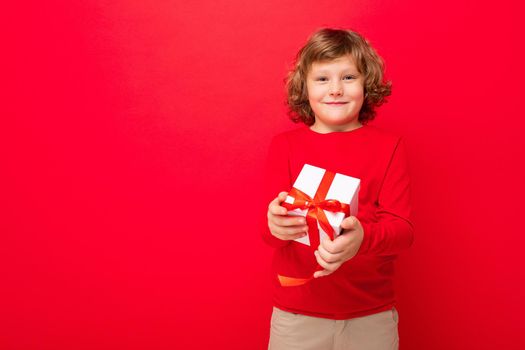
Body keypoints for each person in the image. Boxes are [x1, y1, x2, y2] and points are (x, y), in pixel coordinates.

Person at [262, 28, 414, 350]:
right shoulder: (285, 146)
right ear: (304, 87)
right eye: (322, 79)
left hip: (370, 315)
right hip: (297, 313)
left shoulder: (390, 147)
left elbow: (402, 230)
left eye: (348, 77)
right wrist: (275, 224)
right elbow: (269, 235)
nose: (335, 90)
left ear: (366, 84)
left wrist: (362, 239)